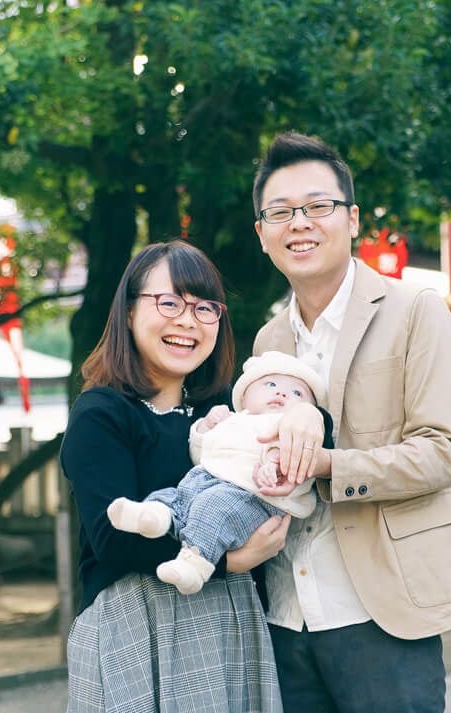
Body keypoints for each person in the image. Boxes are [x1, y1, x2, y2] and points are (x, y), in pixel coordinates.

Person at [250, 132, 451, 712]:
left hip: (381, 611)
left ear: (352, 218)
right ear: (262, 234)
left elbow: (442, 452)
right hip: (286, 613)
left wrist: (327, 466)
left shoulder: (415, 310)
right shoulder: (268, 338)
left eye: (317, 206)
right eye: (280, 212)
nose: (299, 223)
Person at [60, 241, 296, 713]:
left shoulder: (224, 408)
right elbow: (112, 537)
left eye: (205, 308)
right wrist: (233, 561)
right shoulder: (101, 413)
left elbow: (304, 421)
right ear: (128, 313)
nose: (188, 321)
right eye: (169, 302)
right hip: (135, 619)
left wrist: (311, 421)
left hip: (231, 618)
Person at [107, 351, 330, 595]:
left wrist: (273, 467)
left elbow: (286, 456)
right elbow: (200, 453)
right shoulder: (236, 419)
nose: (282, 393)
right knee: (177, 494)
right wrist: (207, 426)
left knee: (213, 508)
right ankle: (156, 516)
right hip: (208, 479)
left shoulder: (287, 427)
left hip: (254, 498)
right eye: (271, 384)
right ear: (244, 396)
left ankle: (195, 566)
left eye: (298, 393)